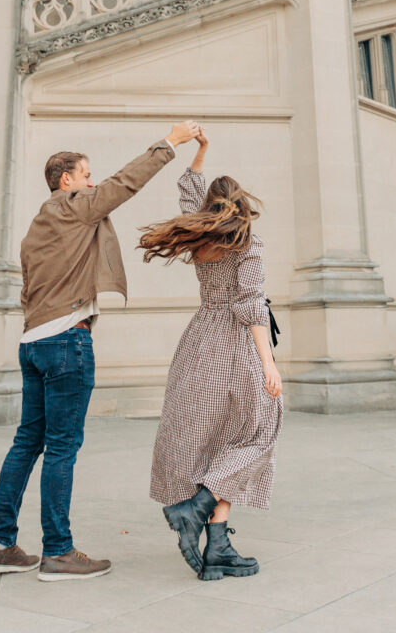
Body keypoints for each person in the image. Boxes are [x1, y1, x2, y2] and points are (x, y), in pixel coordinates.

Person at [0, 121, 201, 581]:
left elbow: (29, 290)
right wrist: (171, 143)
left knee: (27, 443)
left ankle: (1, 545)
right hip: (66, 343)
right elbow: (124, 184)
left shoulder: (36, 228)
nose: (91, 181)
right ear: (67, 181)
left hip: (33, 343)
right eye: (85, 174)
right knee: (62, 448)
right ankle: (58, 552)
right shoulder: (75, 207)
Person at [139, 128, 282, 580]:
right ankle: (195, 508)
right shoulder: (247, 243)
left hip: (200, 339)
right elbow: (251, 305)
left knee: (219, 441)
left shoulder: (200, 237)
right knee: (260, 431)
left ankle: (217, 546)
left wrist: (200, 150)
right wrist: (269, 363)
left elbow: (188, 190)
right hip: (236, 343)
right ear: (241, 205)